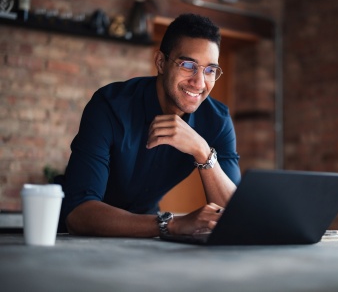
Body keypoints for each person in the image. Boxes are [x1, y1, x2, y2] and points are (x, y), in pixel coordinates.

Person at [59, 13, 241, 237]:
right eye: (187, 65)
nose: (200, 82)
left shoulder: (217, 120)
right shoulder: (110, 106)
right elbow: (78, 212)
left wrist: (203, 151)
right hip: (81, 237)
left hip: (147, 235)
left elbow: (236, 215)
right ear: (161, 62)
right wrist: (172, 224)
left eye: (210, 70)